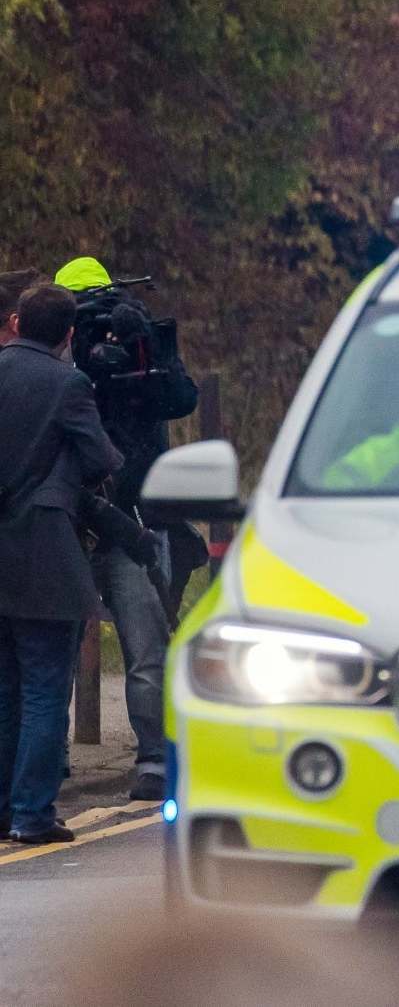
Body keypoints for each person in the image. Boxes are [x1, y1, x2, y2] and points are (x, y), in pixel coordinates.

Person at [55, 256, 198, 801]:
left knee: (144, 642)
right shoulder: (56, 352)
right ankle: (53, 756)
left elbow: (181, 399)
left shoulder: (141, 342)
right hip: (71, 516)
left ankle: (155, 758)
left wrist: (150, 351)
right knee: (60, 646)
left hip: (130, 516)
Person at [0, 285, 125, 844]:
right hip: (45, 556)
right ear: (70, 335)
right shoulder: (68, 384)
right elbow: (100, 459)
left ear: (15, 320)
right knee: (46, 689)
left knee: (4, 691)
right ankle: (32, 814)